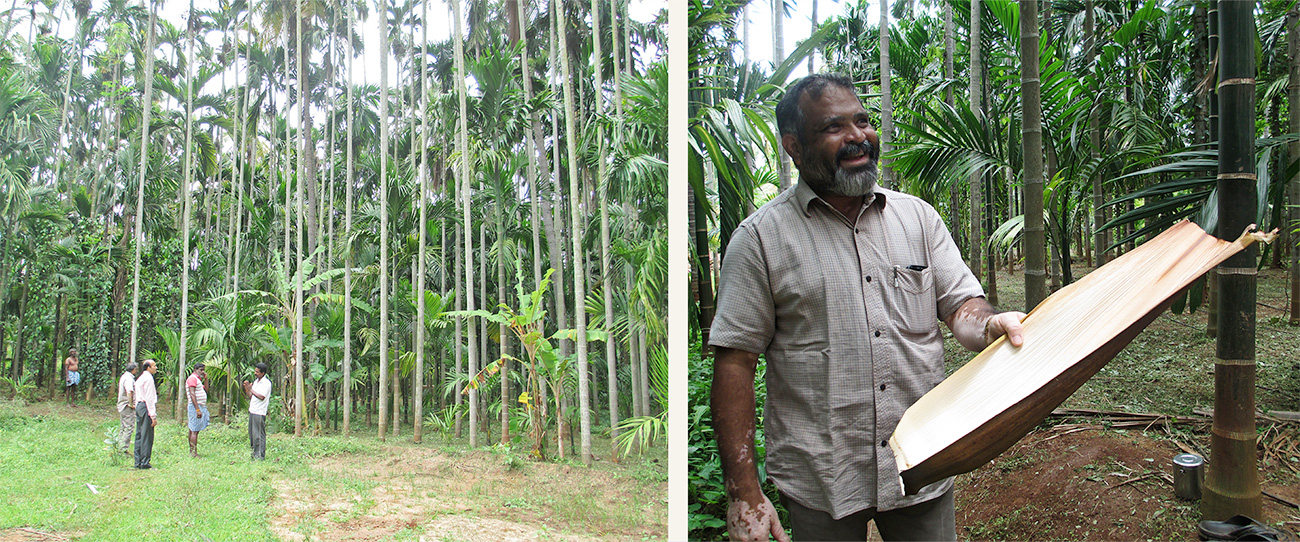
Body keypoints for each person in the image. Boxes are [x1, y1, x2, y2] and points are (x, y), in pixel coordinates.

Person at [709, 73, 1028, 542]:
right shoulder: (760, 240)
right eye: (834, 127)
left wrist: (989, 324)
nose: (858, 136)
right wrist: (744, 492)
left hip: (920, 458)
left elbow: (960, 304)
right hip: (823, 476)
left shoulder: (918, 217)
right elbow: (735, 361)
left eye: (862, 120)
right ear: (794, 146)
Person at [242, 362, 271, 461]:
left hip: (260, 412)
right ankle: (254, 454)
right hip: (253, 410)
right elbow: (251, 396)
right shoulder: (256, 382)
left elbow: (262, 397)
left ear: (263, 373)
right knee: (252, 434)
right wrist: (247, 388)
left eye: (257, 372)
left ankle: (260, 456)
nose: (255, 373)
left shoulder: (266, 383)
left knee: (259, 435)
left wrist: (251, 389)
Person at [133, 359, 159, 469]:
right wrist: (153, 415)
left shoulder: (140, 378)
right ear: (148, 367)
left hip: (139, 405)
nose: (156, 367)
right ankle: (144, 462)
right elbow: (149, 398)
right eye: (154, 366)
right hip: (145, 406)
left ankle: (138, 460)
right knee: (147, 435)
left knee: (139, 433)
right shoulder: (148, 379)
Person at [185, 363, 210, 457]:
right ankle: (193, 453)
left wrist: (206, 379)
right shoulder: (192, 378)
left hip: (200, 405)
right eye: (201, 370)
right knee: (194, 430)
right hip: (195, 406)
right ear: (195, 369)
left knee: (194, 429)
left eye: (203, 370)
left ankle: (192, 451)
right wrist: (197, 409)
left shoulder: (198, 380)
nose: (202, 372)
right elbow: (192, 394)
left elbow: (206, 391)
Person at [116, 362, 139, 454]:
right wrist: (131, 403)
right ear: (133, 370)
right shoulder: (129, 379)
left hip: (122, 405)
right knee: (129, 427)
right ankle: (123, 449)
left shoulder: (124, 376)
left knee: (123, 427)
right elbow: (129, 391)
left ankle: (119, 446)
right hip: (126, 406)